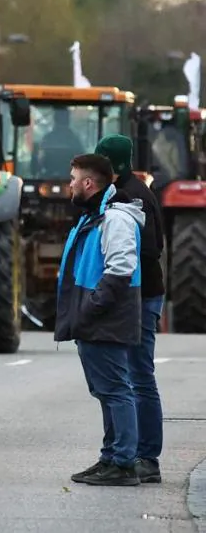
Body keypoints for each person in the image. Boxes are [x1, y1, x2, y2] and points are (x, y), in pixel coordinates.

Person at [58, 153, 145, 487]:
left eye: (73, 179)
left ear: (88, 183)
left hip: (105, 317)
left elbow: (121, 269)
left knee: (117, 391)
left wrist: (91, 307)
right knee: (107, 391)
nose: (69, 185)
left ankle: (123, 463)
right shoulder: (94, 217)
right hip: (95, 317)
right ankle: (110, 456)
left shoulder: (115, 219)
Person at [95, 133, 165, 484]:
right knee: (131, 376)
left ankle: (147, 457)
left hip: (142, 296)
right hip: (138, 295)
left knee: (139, 376)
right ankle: (126, 452)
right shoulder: (128, 191)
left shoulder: (133, 196)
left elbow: (149, 250)